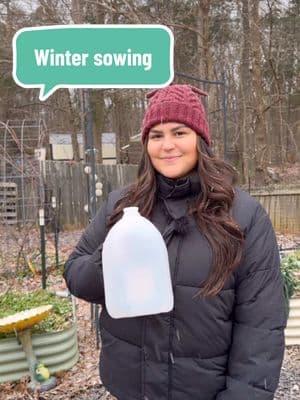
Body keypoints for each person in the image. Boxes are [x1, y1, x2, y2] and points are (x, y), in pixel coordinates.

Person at [64, 84, 287, 400]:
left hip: (204, 391)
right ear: (146, 144)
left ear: (200, 139)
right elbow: (76, 277)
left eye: (179, 132)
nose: (167, 145)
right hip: (130, 388)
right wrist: (112, 254)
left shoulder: (244, 216)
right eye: (156, 135)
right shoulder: (121, 206)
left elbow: (261, 323)